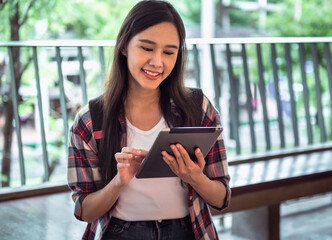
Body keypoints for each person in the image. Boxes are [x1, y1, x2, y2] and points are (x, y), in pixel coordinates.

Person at [67, 1, 231, 239]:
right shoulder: (90, 121)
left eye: (168, 52)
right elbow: (84, 210)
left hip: (188, 231)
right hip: (122, 232)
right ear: (124, 46)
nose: (157, 62)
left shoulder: (198, 108)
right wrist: (118, 182)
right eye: (146, 48)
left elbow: (222, 197)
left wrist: (195, 178)